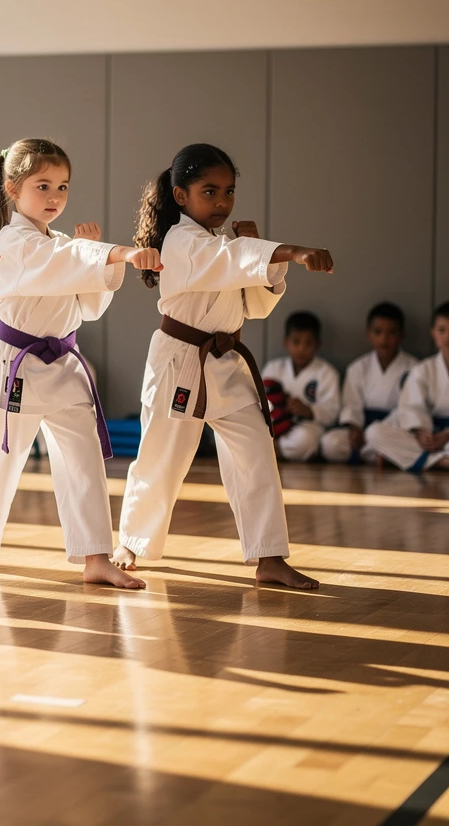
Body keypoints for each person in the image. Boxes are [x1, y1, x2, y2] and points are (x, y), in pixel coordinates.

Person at [115, 142, 334, 590]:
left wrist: (261, 255)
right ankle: (132, 543)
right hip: (181, 359)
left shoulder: (223, 243)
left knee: (256, 453)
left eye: (229, 192)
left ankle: (269, 556)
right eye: (209, 192)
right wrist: (284, 251)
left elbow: (252, 305)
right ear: (181, 196)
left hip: (227, 360)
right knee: (162, 453)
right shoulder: (181, 240)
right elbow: (228, 263)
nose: (222, 202)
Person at [0, 139, 154, 590]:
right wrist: (111, 254)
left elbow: (90, 306)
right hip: (15, 364)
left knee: (84, 459)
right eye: (43, 186)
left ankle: (96, 555)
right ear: (12, 189)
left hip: (64, 364)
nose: (55, 196)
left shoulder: (61, 243)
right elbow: (58, 262)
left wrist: (94, 258)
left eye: (62, 186)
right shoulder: (11, 240)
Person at [320, 302, 417, 463]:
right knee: (330, 443)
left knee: (376, 434)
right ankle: (380, 454)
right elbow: (351, 404)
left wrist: (380, 429)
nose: (384, 339)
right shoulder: (358, 367)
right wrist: (355, 428)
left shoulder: (414, 368)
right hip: (362, 429)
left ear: (402, 335)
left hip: (392, 430)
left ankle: (379, 451)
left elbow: (408, 409)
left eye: (391, 332)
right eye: (377, 332)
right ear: (368, 334)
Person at [363, 301, 449, 471]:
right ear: (433, 333)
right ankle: (442, 462)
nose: (448, 337)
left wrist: (448, 435)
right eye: (442, 330)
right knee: (374, 432)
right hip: (429, 436)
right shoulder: (423, 369)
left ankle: (421, 460)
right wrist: (421, 432)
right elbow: (411, 408)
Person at [262, 312, 340, 461]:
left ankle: (275, 449)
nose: (302, 349)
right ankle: (272, 447)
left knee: (305, 440)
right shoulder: (273, 368)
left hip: (307, 425)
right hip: (275, 423)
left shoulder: (327, 373)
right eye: (296, 342)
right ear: (286, 342)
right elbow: (261, 400)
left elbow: (332, 412)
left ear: (318, 345)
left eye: (308, 343)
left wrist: (309, 411)